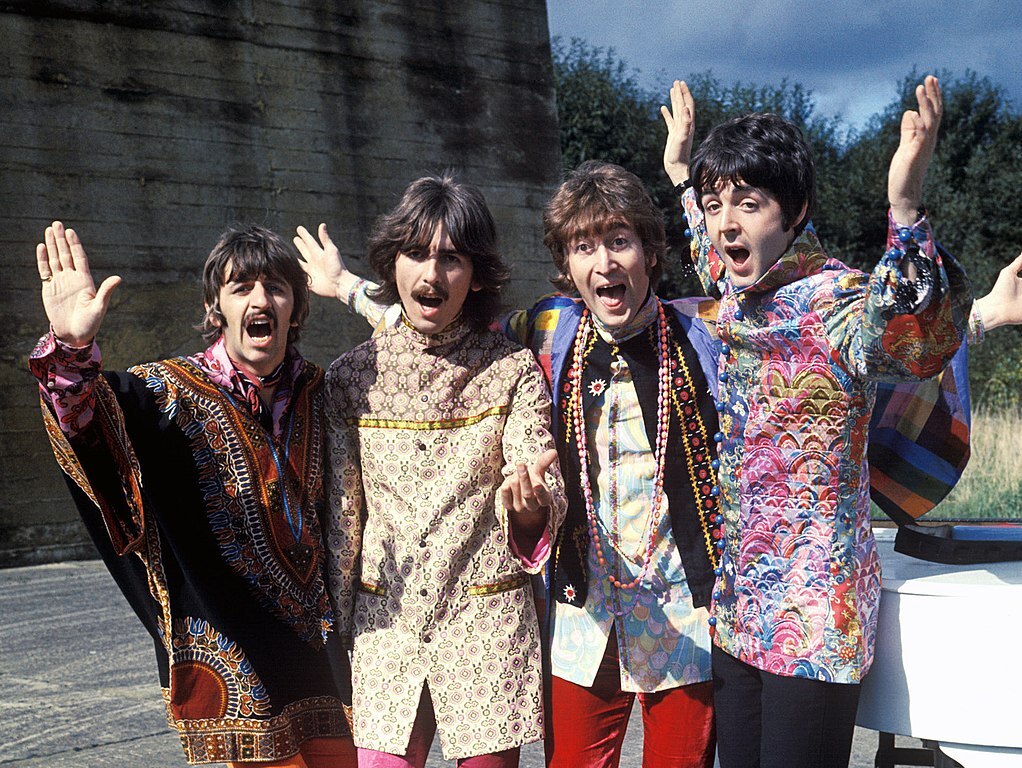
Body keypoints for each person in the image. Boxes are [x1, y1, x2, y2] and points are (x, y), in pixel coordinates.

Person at [298, 162, 723, 768]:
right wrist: (345, 287)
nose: (604, 262)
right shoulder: (551, 329)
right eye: (584, 246)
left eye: (619, 241)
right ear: (567, 264)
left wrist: (685, 184)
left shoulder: (703, 331)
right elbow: (437, 328)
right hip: (584, 612)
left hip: (682, 609)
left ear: (650, 253)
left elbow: (752, 287)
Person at [659, 76, 1022, 767]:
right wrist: (682, 173)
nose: (726, 222)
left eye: (749, 203)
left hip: (816, 615)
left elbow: (907, 344)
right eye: (715, 204)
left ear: (795, 212)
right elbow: (706, 245)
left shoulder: (837, 300)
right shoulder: (735, 287)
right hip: (739, 605)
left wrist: (905, 210)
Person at [30, 222, 355, 767]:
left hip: (327, 657)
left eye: (276, 287)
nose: (260, 300)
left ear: (296, 309)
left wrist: (351, 288)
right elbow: (82, 419)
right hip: (239, 662)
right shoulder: (165, 394)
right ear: (215, 308)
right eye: (242, 287)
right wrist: (71, 349)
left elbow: (418, 353)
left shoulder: (327, 393)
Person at [321, 173, 567, 768]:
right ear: (392, 263)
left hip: (486, 627)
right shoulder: (352, 377)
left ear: (476, 275)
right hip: (386, 628)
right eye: (415, 253)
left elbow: (537, 472)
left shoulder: (512, 371)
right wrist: (336, 632)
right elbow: (342, 518)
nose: (431, 274)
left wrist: (531, 506)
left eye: (451, 258)